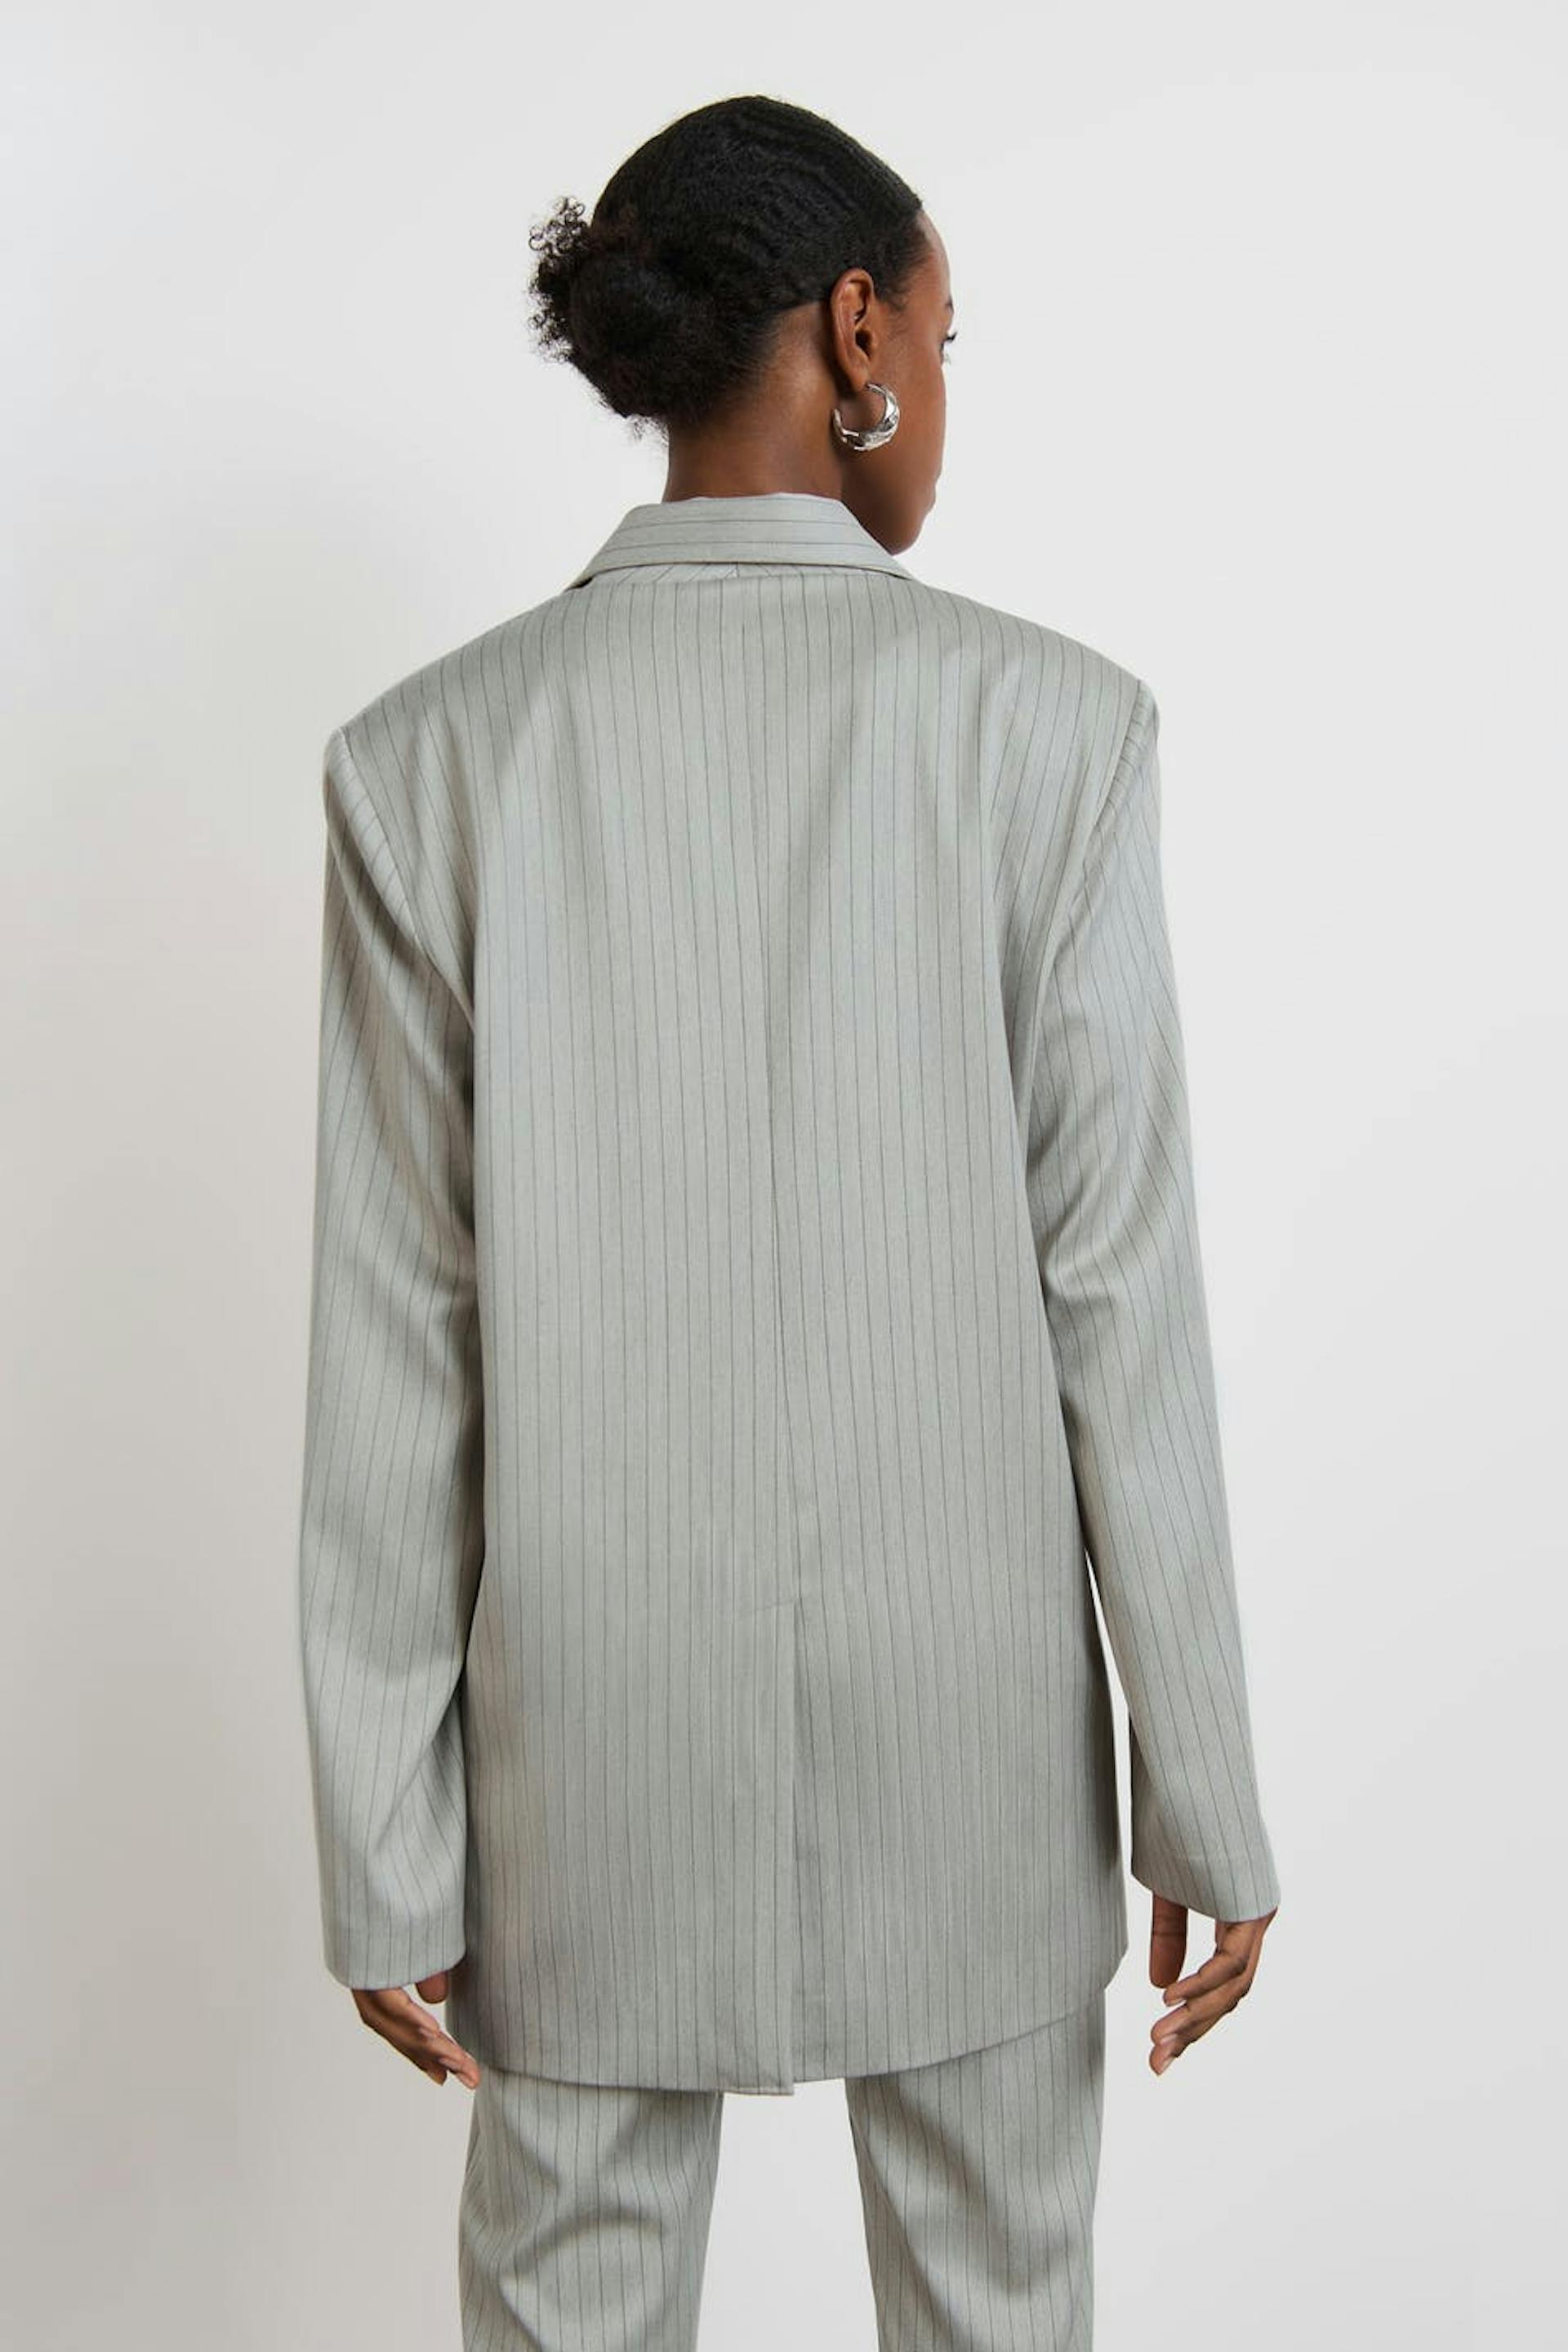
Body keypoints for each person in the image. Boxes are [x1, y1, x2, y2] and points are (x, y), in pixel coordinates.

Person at [296, 91, 1282, 2351]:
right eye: (942, 333)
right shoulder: (1055, 733)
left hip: (585, 1743)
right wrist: (1206, 1798)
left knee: (561, 2310)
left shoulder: (427, 761)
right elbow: (1119, 1303)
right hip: (975, 1729)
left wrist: (383, 1842)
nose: (941, 383)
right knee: (1000, 2306)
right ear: (855, 332)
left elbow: (395, 1339)